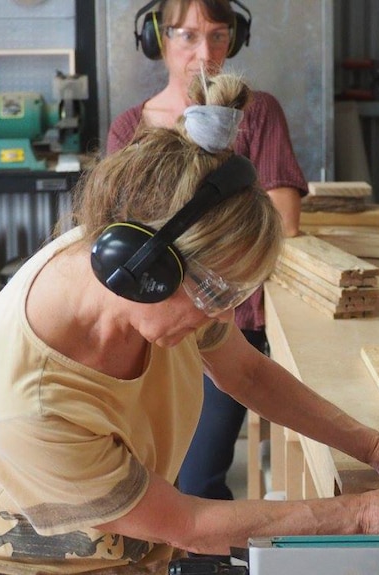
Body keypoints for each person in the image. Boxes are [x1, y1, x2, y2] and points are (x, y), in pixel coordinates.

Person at [0, 72, 379, 574]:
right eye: (215, 293)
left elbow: (246, 375)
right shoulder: (18, 401)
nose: (221, 316)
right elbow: (187, 524)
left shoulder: (153, 273)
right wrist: (360, 514)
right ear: (140, 267)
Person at [107, 0, 307, 502]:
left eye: (219, 36)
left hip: (226, 325)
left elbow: (284, 220)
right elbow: (111, 237)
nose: (205, 52)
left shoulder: (255, 113)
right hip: (142, 328)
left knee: (197, 484)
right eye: (188, 36)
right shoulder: (130, 129)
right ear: (158, 39)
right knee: (141, 478)